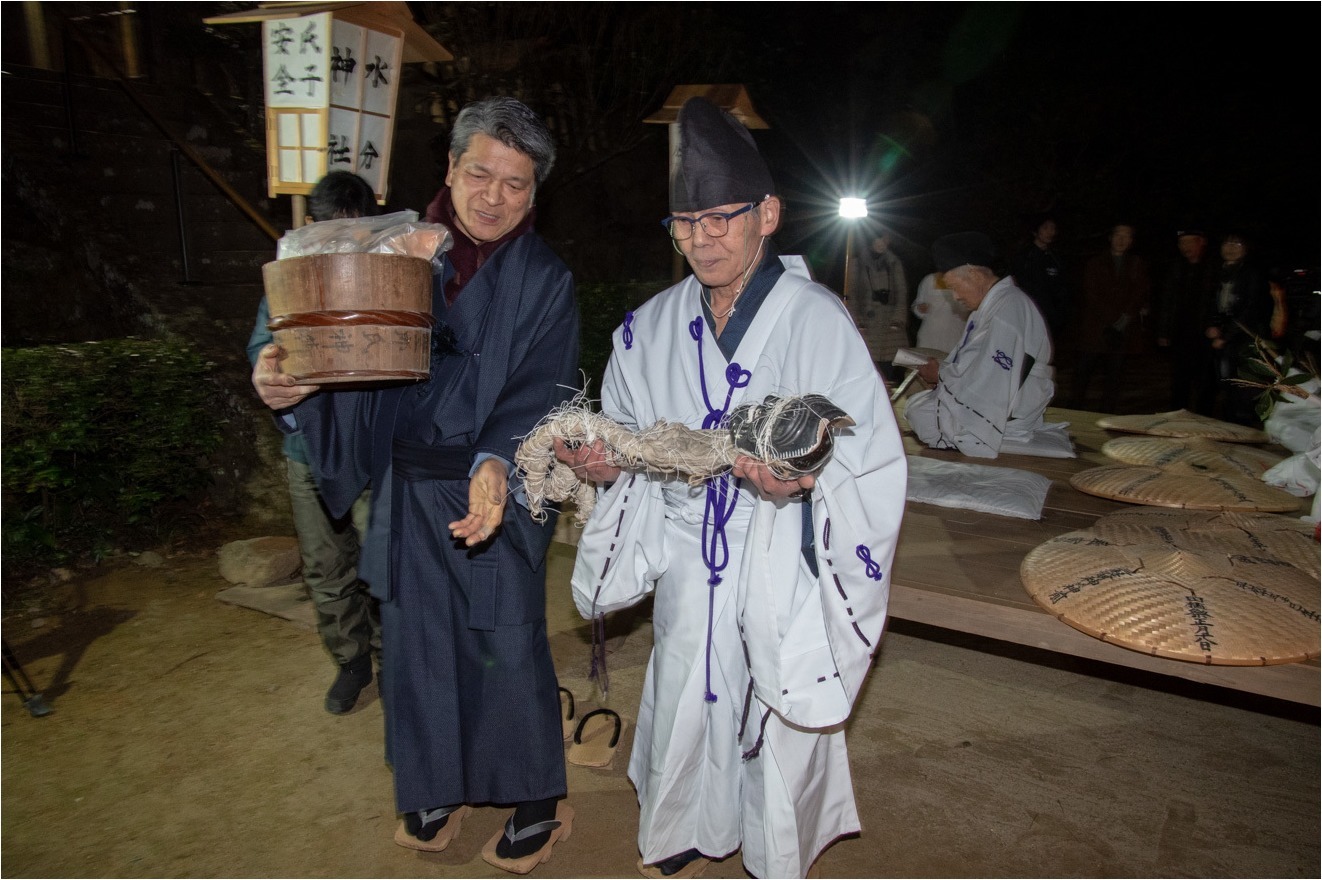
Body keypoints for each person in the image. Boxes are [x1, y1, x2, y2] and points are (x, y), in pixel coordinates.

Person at [553, 97, 906, 879]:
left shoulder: (818, 321)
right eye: (686, 222)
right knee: (685, 685)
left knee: (776, 702)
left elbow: (870, 460)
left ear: (767, 214)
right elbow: (632, 441)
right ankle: (681, 826)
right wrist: (605, 465)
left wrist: (799, 486)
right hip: (687, 549)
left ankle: (774, 852)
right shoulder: (647, 327)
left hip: (781, 551)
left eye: (722, 218)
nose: (703, 239)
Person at [252, 97, 579, 873]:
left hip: (492, 483)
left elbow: (545, 386)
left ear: (535, 194)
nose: (493, 196)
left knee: (504, 638)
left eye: (516, 183)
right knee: (417, 645)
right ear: (451, 169)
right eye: (479, 174)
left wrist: (499, 458)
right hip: (408, 482)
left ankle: (535, 795)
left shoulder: (545, 279)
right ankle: (435, 784)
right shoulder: (389, 248)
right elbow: (314, 333)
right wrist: (282, 381)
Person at [246, 170, 380, 715]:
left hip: (373, 453)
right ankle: (351, 662)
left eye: (355, 232)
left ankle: (397, 661)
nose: (342, 245)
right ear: (311, 228)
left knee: (382, 563)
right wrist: (267, 374)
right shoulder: (287, 281)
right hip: (307, 451)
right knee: (326, 566)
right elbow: (263, 346)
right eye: (331, 232)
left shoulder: (391, 277)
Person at [905, 232, 1056, 458]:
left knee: (920, 412)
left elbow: (994, 375)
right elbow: (974, 361)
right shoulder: (993, 304)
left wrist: (942, 375)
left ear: (974, 274)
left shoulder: (1007, 308)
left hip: (1011, 406)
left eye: (954, 286)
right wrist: (944, 376)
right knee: (917, 407)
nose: (955, 297)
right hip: (995, 396)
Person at [1071, 222, 1152, 412]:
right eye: (1118, 235)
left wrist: (1125, 318)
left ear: (1131, 241)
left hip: (1122, 332)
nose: (1121, 239)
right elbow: (1091, 294)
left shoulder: (1136, 264)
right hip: (1095, 329)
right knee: (1082, 376)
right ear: (1110, 237)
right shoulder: (1095, 263)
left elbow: (1140, 292)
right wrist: (1113, 318)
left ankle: (1106, 416)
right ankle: (1074, 414)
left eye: (1127, 236)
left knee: (1114, 379)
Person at [1201, 229, 1275, 425]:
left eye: (1237, 244)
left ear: (1246, 249)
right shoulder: (1217, 271)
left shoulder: (1252, 273)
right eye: (1227, 244)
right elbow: (1212, 303)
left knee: (1242, 387)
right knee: (1224, 385)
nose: (1231, 249)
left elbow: (1250, 309)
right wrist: (1212, 325)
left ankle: (1245, 427)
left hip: (1245, 339)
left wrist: (1225, 335)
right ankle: (1230, 423)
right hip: (1223, 337)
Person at [1154, 225, 1218, 412]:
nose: (1185, 246)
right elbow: (1166, 301)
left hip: (1205, 335)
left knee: (1205, 381)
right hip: (1180, 333)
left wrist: (1217, 326)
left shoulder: (1213, 267)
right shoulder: (1176, 266)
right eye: (1182, 242)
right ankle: (1177, 415)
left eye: (1190, 241)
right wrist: (1163, 331)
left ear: (1202, 242)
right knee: (1179, 380)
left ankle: (1203, 418)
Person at [845, 229, 910, 381]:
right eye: (879, 240)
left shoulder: (894, 262)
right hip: (867, 323)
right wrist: (857, 321)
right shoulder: (858, 263)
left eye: (885, 241)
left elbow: (902, 292)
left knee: (889, 367)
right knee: (867, 365)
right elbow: (852, 294)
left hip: (890, 325)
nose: (882, 244)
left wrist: (898, 319)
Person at [1010, 213, 1070, 344]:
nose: (1050, 232)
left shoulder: (1056, 258)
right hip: (1027, 315)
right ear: (1036, 231)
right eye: (1045, 228)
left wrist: (1059, 313)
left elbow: (1061, 288)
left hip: (1049, 317)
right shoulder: (1024, 256)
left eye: (1052, 228)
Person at [910, 270, 969, 353]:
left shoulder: (965, 279)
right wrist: (920, 308)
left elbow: (969, 308)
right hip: (929, 336)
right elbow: (917, 304)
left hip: (955, 335)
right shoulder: (929, 280)